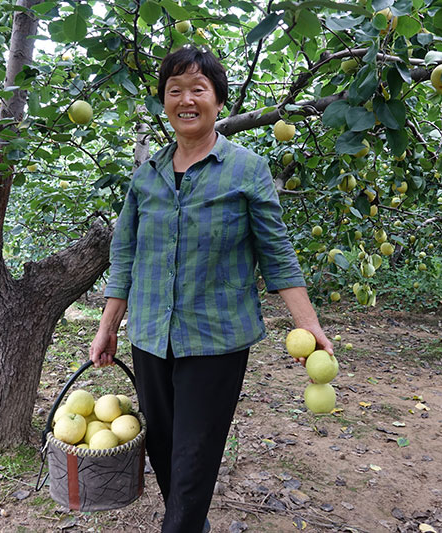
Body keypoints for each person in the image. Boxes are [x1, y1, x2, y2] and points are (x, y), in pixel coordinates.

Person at [89, 45, 332, 533]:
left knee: (195, 454)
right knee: (164, 447)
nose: (186, 100)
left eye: (198, 89)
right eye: (174, 90)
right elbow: (125, 257)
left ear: (218, 99)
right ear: (164, 102)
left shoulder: (247, 169)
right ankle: (189, 522)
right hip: (151, 335)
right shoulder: (146, 177)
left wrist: (309, 326)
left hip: (215, 339)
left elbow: (277, 253)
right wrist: (107, 326)